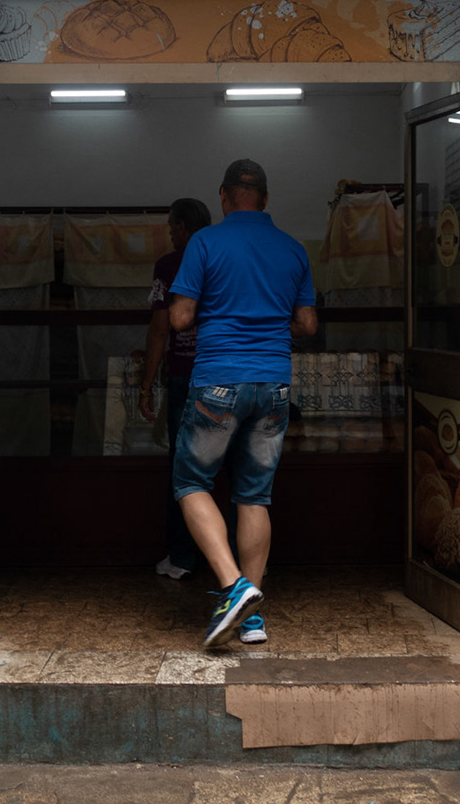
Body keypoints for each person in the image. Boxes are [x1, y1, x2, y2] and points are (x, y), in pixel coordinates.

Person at [167, 159, 316, 647]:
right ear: (266, 198)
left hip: (218, 384)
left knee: (191, 481)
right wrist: (270, 320)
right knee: (254, 495)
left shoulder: (204, 243)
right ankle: (252, 621)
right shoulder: (293, 250)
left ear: (224, 196)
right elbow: (308, 324)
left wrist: (210, 309)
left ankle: (234, 588)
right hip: (273, 385)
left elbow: (180, 317)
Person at [139, 198, 219, 582]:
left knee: (184, 470)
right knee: (230, 466)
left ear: (184, 226)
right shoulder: (224, 256)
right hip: (223, 376)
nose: (169, 232)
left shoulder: (170, 265)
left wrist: (146, 383)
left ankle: (182, 557)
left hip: (185, 377)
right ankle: (236, 560)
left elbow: (159, 329)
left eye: (172, 225)